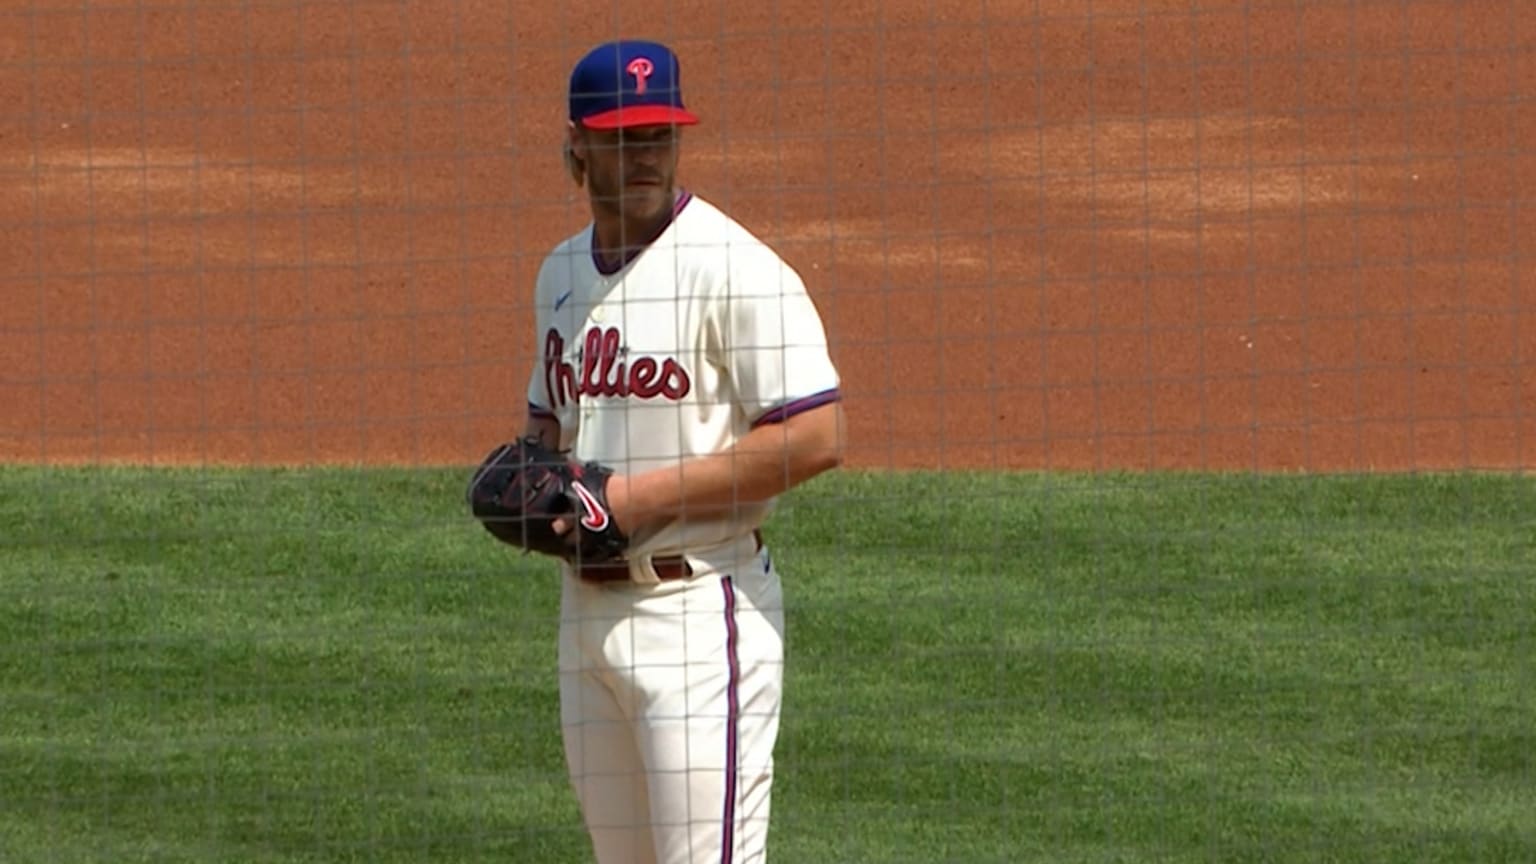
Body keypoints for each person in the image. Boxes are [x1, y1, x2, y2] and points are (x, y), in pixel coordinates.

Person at [521, 38, 847, 864]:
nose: (643, 158)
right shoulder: (560, 274)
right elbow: (547, 428)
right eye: (621, 139)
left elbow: (816, 435)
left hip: (699, 616)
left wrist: (640, 501)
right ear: (575, 146)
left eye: (659, 137)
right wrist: (529, 488)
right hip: (584, 618)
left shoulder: (733, 268)